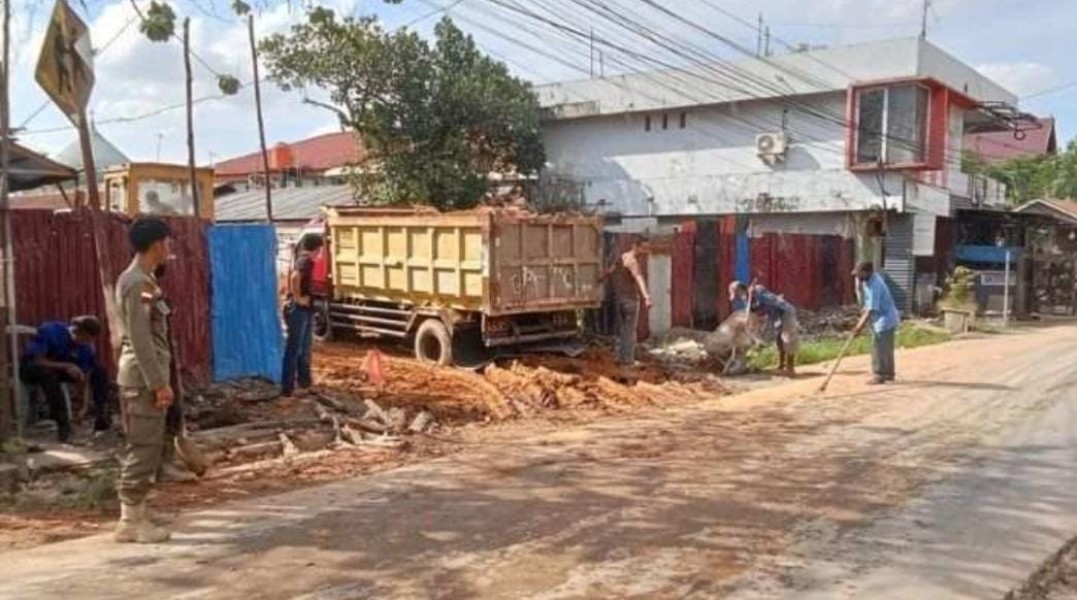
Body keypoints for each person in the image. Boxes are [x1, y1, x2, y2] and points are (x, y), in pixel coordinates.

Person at [114, 217, 174, 544]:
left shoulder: (145, 280)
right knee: (143, 445)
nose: (170, 248)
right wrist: (157, 383)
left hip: (148, 374)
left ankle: (138, 511)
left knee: (151, 445)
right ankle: (129, 521)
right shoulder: (136, 282)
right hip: (142, 376)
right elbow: (140, 339)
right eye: (167, 242)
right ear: (157, 245)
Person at [19, 316, 108, 441]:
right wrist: (67, 365)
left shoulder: (85, 347)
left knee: (99, 370)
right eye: (86, 339)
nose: (87, 343)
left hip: (59, 369)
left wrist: (84, 407)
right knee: (49, 376)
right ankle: (63, 425)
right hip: (33, 368)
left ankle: (102, 415)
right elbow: (37, 360)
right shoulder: (50, 330)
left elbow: (85, 378)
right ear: (77, 332)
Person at [281, 234, 325, 396]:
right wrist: (298, 298)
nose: (321, 252)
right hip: (298, 310)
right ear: (316, 248)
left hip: (305, 310)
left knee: (304, 348)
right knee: (295, 349)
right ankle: (288, 387)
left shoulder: (305, 261)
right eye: (320, 249)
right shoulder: (304, 261)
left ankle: (304, 384)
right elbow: (295, 277)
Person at [852, 261, 901, 385]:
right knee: (885, 349)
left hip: (885, 320)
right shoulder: (868, 281)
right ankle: (889, 374)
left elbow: (871, 310)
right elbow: (868, 304)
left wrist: (858, 328)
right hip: (884, 318)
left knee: (878, 348)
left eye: (859, 274)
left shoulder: (875, 285)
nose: (857, 277)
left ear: (866, 272)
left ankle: (879, 375)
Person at [607, 237, 652, 367]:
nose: (645, 251)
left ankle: (619, 357)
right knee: (630, 331)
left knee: (620, 330)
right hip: (630, 300)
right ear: (635, 246)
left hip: (619, 299)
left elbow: (608, 272)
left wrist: (599, 279)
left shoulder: (621, 259)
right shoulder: (632, 261)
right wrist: (646, 297)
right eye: (643, 247)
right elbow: (639, 278)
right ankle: (628, 360)